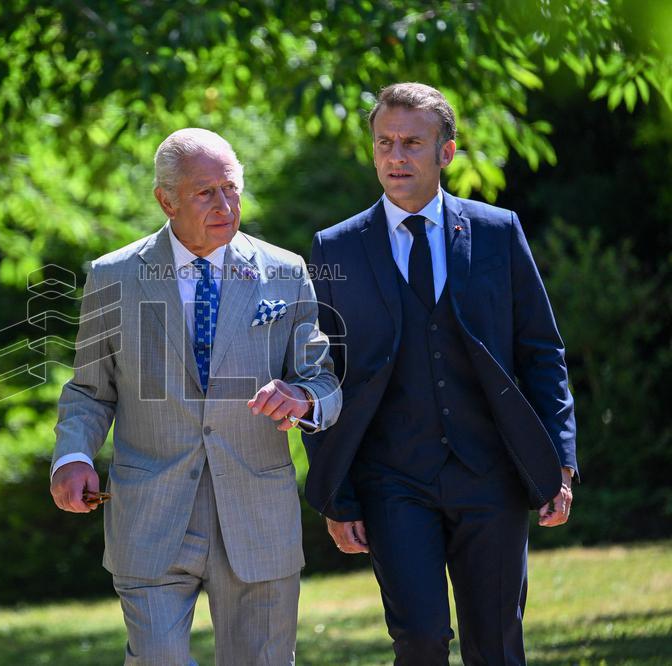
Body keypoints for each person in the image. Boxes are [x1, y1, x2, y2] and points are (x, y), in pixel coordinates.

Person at [303, 83, 578, 665]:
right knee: (421, 639)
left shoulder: (499, 232)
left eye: (412, 143)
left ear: (446, 152)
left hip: (491, 474)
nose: (396, 157)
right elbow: (324, 373)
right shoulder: (335, 248)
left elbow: (541, 352)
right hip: (392, 480)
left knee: (497, 644)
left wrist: (560, 459)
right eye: (384, 143)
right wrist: (339, 494)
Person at [50, 128, 342, 665]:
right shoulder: (115, 277)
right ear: (167, 199)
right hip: (151, 515)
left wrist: (301, 397)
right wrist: (72, 456)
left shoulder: (285, 271)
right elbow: (90, 390)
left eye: (231, 189)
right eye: (206, 192)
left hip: (256, 517)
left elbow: (323, 379)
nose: (225, 205)